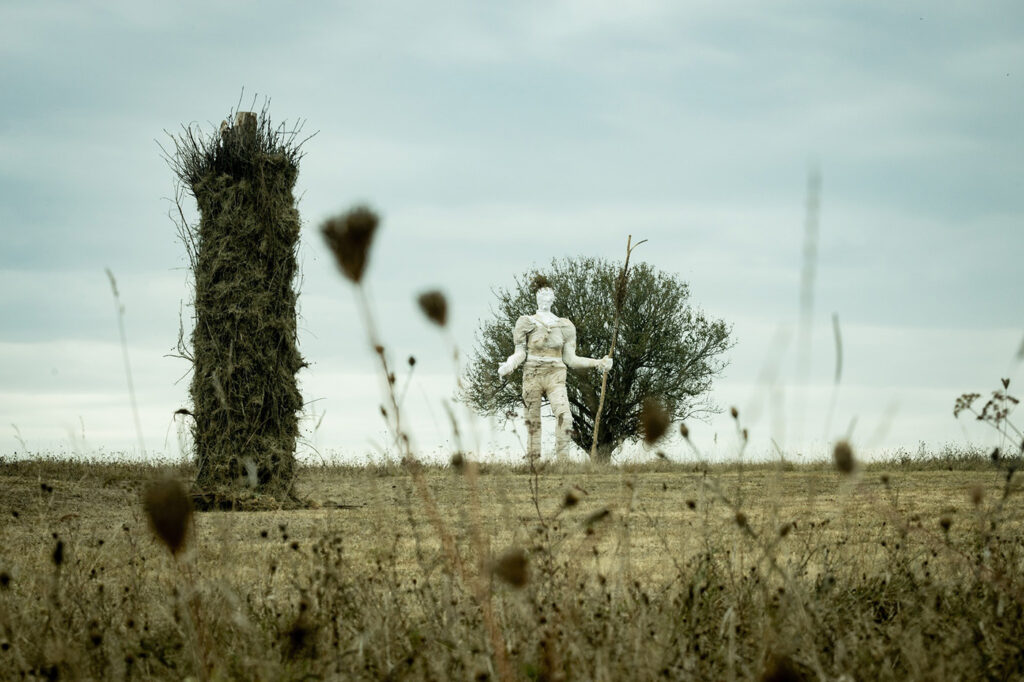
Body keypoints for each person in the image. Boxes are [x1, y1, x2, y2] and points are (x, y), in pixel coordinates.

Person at [498, 283, 613, 459]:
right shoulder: (526, 322)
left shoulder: (565, 326)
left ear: (553, 299)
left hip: (556, 374)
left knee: (565, 416)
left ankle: (563, 463)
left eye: (547, 296)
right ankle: (533, 462)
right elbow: (520, 352)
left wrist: (598, 362)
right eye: (540, 296)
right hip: (533, 373)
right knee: (532, 420)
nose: (544, 299)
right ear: (536, 298)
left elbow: (571, 359)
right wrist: (509, 365)